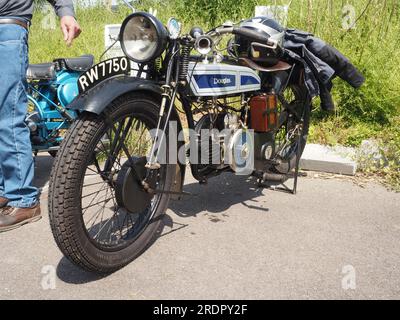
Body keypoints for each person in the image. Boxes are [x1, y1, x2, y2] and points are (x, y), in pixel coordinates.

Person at [0, 0, 81, 232]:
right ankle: (4, 191)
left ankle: (24, 200)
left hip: (8, 29)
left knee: (9, 116)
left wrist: (66, 13)